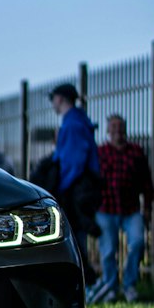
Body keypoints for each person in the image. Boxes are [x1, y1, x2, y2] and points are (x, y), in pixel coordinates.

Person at [87, 114, 154, 303]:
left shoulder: (136, 152)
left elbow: (146, 182)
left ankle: (129, 284)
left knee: (138, 243)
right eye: (113, 127)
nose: (117, 131)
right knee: (107, 251)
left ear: (125, 129)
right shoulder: (100, 153)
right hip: (105, 209)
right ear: (108, 131)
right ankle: (110, 287)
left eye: (120, 127)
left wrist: (147, 207)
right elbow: (92, 182)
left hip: (131, 209)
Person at [49, 83, 101, 274]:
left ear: (60, 98)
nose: (53, 103)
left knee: (75, 238)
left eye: (53, 99)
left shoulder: (72, 124)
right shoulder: (79, 121)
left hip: (74, 189)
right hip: (81, 187)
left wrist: (61, 188)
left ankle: (83, 279)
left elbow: (73, 162)